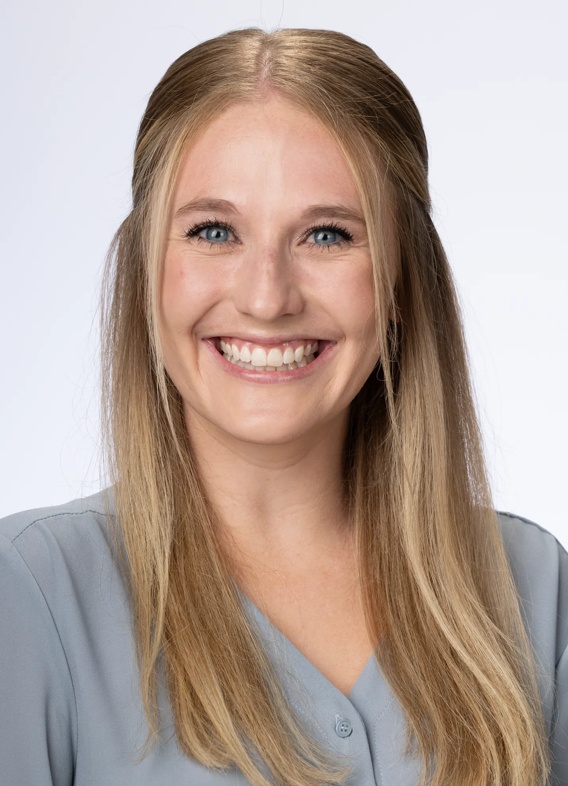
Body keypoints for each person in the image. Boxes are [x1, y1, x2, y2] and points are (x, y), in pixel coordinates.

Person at [0, 27, 566, 786]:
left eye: (327, 234)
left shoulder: (531, 588)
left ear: (400, 281)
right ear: (148, 273)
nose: (267, 297)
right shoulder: (31, 595)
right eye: (213, 231)